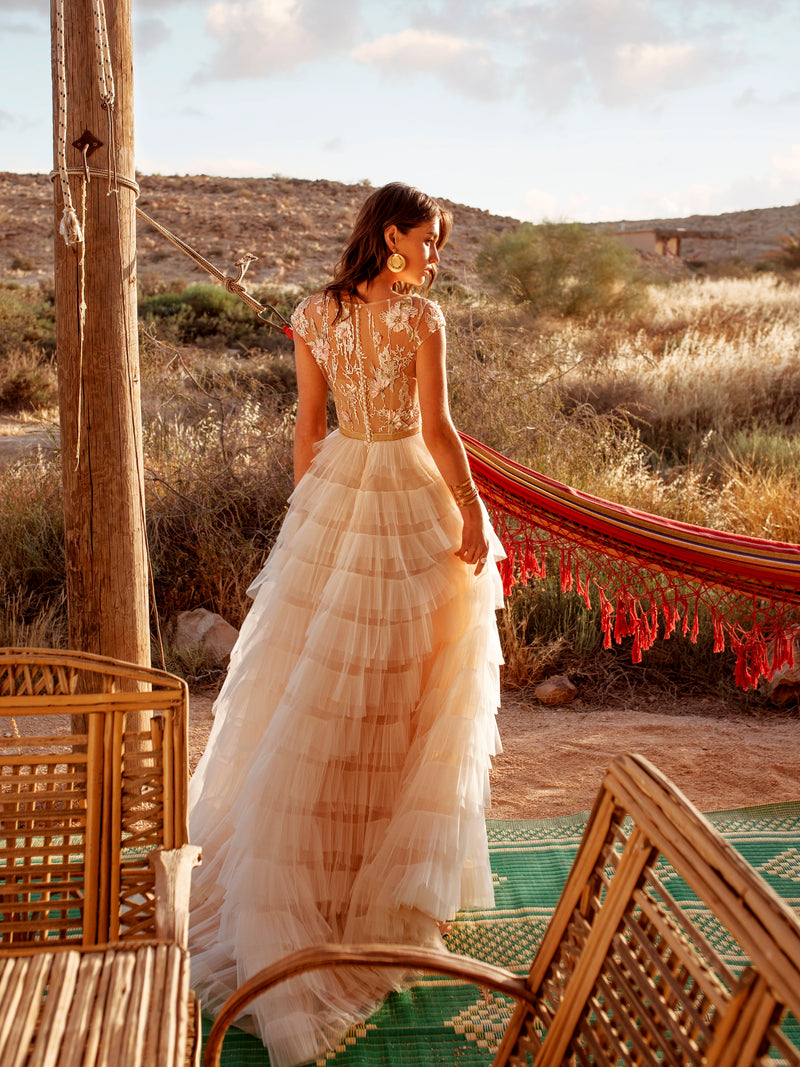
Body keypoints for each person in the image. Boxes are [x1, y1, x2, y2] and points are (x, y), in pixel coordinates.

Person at [188, 182, 504, 1067]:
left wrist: (307, 512)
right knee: (398, 686)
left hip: (339, 492)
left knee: (336, 686)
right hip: (402, 492)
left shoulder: (313, 313)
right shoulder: (421, 320)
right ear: (391, 234)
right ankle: (361, 899)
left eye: (438, 244)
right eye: (428, 239)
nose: (434, 256)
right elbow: (437, 429)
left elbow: (310, 426)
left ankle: (352, 887)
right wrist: (473, 511)